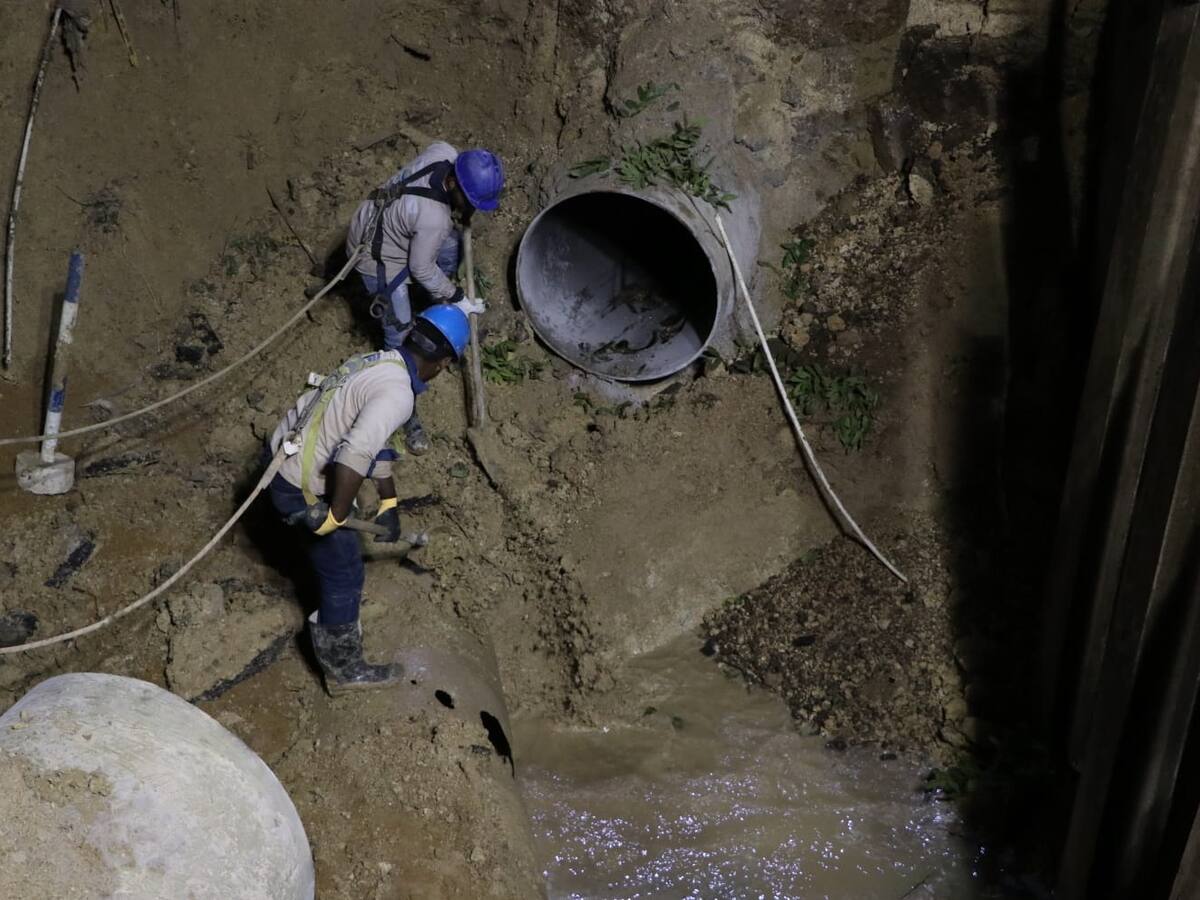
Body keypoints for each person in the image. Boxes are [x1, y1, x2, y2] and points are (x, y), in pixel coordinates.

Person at [267, 304, 470, 695]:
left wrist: (389, 502)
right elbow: (354, 454)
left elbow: (371, 441)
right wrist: (335, 515)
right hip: (296, 484)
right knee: (345, 572)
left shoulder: (380, 363)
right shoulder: (398, 394)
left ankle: (331, 590)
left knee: (338, 542)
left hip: (282, 457)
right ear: (444, 363)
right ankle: (344, 672)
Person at [346, 141, 504, 454]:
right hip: (374, 255)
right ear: (454, 184)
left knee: (449, 247)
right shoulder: (435, 219)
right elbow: (420, 267)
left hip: (387, 219)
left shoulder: (445, 151)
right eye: (470, 200)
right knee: (400, 337)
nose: (471, 208)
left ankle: (436, 316)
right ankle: (407, 411)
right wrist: (457, 295)